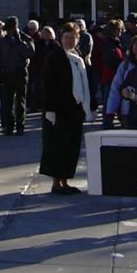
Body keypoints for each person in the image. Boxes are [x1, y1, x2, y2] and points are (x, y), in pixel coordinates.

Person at [39, 22, 92, 195]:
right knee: (57, 146)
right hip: (59, 110)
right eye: (66, 37)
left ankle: (65, 180)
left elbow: (85, 83)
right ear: (61, 38)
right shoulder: (54, 58)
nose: (69, 41)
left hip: (75, 110)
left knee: (71, 146)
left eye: (73, 38)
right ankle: (56, 182)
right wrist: (50, 109)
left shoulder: (78, 56)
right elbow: (47, 85)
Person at [0, 15, 35, 135]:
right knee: (7, 101)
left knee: (20, 101)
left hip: (20, 72)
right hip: (7, 73)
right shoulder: (4, 40)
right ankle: (8, 127)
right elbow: (0, 57)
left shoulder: (25, 38)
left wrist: (20, 42)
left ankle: (20, 126)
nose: (8, 31)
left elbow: (30, 53)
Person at [104, 33, 137, 127]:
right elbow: (115, 88)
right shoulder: (125, 65)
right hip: (126, 110)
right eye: (135, 44)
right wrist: (110, 112)